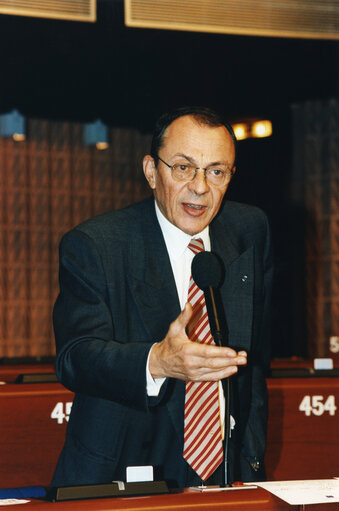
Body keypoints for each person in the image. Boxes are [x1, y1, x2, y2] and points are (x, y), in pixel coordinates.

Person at [51, 106, 273, 489]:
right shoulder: (97, 245)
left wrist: (249, 454)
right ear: (152, 171)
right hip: (123, 469)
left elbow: (254, 360)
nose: (201, 187)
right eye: (183, 167)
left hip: (226, 470)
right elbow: (75, 357)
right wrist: (157, 361)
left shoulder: (249, 230)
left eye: (217, 171)